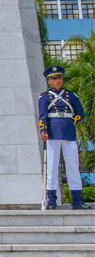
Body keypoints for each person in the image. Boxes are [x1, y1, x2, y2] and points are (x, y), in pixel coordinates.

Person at [39, 65, 89, 209]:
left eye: (59, 78)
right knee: (52, 168)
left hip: (68, 133)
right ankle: (52, 200)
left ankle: (77, 201)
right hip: (53, 134)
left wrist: (70, 123)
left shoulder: (71, 95)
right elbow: (42, 116)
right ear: (49, 81)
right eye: (54, 78)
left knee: (73, 166)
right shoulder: (45, 96)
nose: (58, 80)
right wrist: (43, 130)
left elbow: (80, 114)